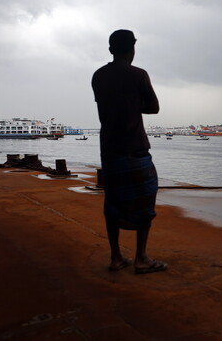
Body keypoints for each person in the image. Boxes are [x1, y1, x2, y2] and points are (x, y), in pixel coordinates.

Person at [92, 29, 166, 274]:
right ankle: (141, 258)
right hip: (135, 148)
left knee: (112, 201)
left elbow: (109, 104)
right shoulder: (139, 75)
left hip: (109, 149)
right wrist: (136, 104)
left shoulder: (98, 76)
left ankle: (116, 257)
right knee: (145, 200)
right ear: (133, 48)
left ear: (111, 49)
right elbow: (154, 108)